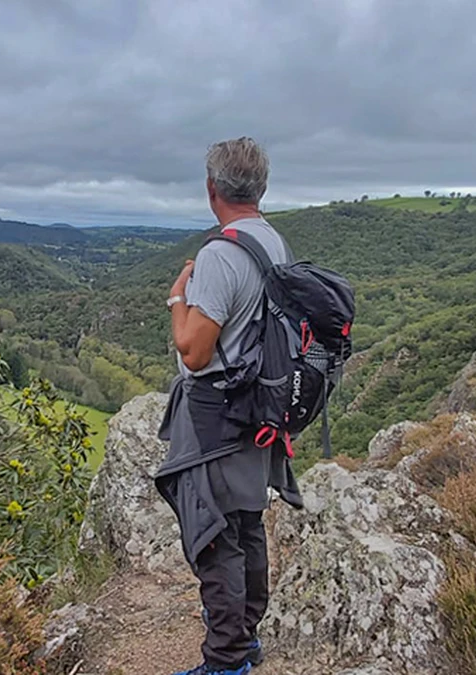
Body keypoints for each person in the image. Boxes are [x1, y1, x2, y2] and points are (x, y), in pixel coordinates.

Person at [155, 137, 303, 675]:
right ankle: (245, 642)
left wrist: (177, 300)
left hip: (215, 411)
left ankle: (224, 663)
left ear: (212, 188)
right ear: (260, 188)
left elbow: (194, 353)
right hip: (259, 408)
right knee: (245, 524)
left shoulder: (221, 254)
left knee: (214, 532)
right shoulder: (273, 243)